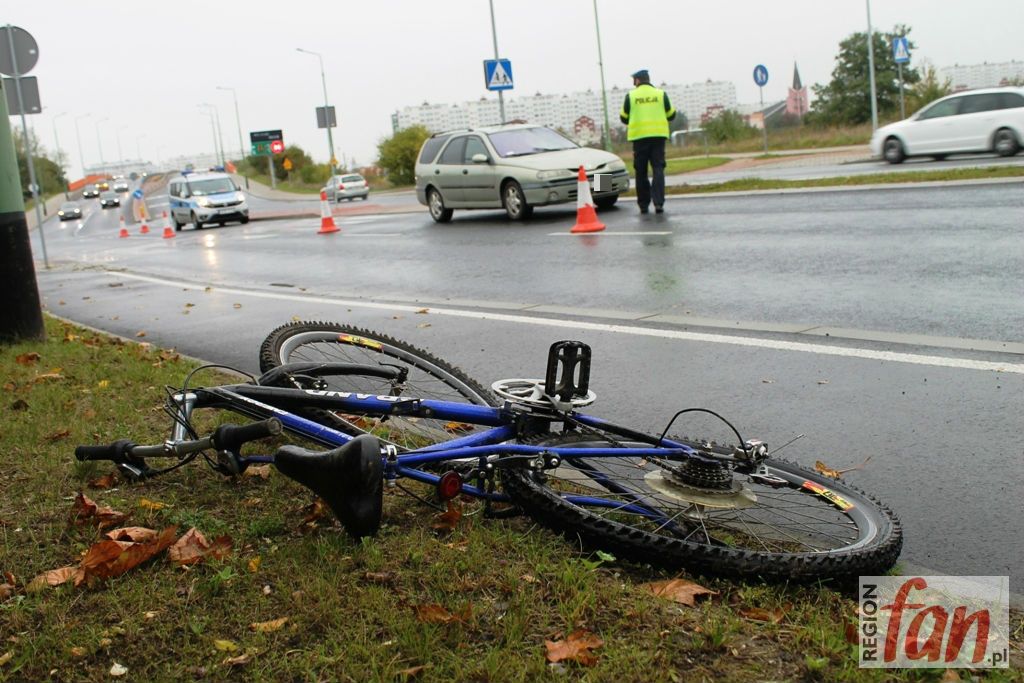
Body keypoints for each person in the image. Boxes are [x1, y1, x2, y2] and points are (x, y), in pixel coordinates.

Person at [620, 69, 676, 214]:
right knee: (658, 169)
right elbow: (671, 114)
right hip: (658, 137)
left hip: (639, 138)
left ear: (637, 80)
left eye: (634, 80)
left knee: (641, 171)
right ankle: (658, 203)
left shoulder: (631, 96)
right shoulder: (660, 94)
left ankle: (644, 205)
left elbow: (623, 117)